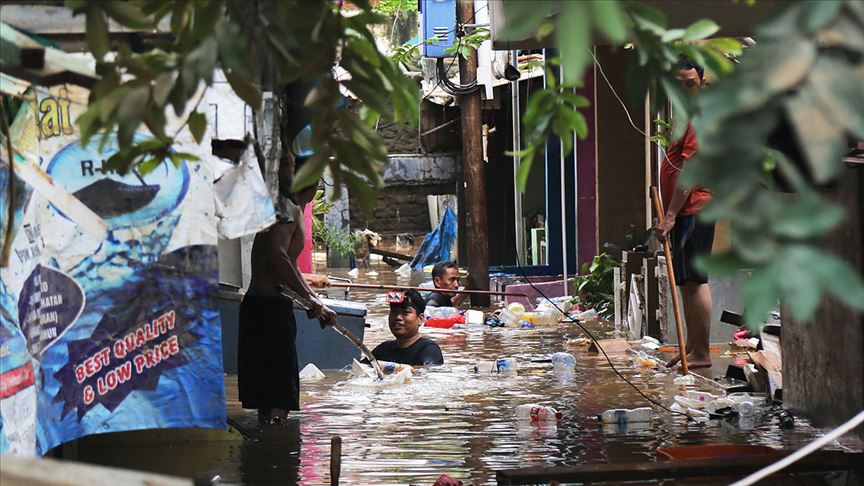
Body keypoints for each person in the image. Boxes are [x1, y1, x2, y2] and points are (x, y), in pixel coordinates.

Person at [238, 158, 337, 425]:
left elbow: (287, 264)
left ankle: (266, 446)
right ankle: (276, 448)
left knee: (268, 397)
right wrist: (309, 299)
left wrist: (314, 299)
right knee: (279, 397)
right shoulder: (288, 209)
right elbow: (276, 256)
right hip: (269, 310)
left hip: (262, 306)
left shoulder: (286, 208)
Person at [655, 57, 714, 369]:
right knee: (687, 281)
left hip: (694, 208)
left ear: (702, 83)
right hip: (686, 210)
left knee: (695, 280)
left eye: (690, 84)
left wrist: (670, 216)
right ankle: (691, 347)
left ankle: (701, 352)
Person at [372, 289, 444, 366]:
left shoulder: (429, 350)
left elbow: (426, 372)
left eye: (405, 312)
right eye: (394, 312)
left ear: (420, 319)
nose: (398, 317)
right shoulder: (383, 349)